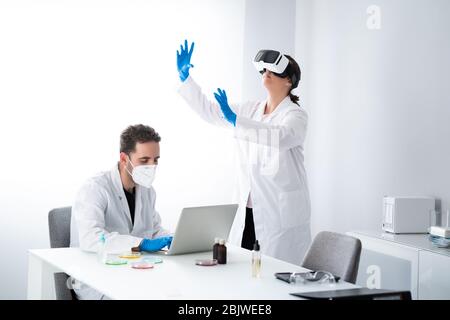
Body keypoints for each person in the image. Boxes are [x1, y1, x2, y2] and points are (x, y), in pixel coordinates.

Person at [176, 40, 311, 265]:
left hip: (278, 215)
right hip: (247, 210)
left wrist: (236, 121)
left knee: (275, 273)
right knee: (245, 268)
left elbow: (280, 136)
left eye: (273, 71)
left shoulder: (296, 115)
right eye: (264, 70)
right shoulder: (250, 109)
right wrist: (186, 80)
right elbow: (211, 113)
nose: (266, 73)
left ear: (289, 80)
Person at [70, 124, 172, 299]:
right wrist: (141, 244)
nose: (152, 166)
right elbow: (90, 238)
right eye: (144, 160)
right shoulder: (95, 188)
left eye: (156, 160)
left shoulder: (147, 191)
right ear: (124, 159)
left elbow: (154, 229)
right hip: (97, 277)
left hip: (133, 272)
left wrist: (174, 237)